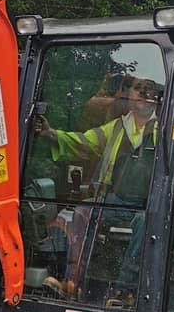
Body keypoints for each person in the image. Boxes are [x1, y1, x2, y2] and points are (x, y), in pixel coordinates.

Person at [33, 72, 162, 300]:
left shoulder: (165, 132)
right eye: (138, 88)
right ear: (129, 95)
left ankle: (125, 290)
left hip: (148, 203)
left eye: (149, 88)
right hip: (116, 201)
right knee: (83, 212)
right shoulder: (116, 128)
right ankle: (73, 282)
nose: (143, 93)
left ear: (157, 97)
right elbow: (84, 142)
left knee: (147, 220)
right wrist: (50, 134)